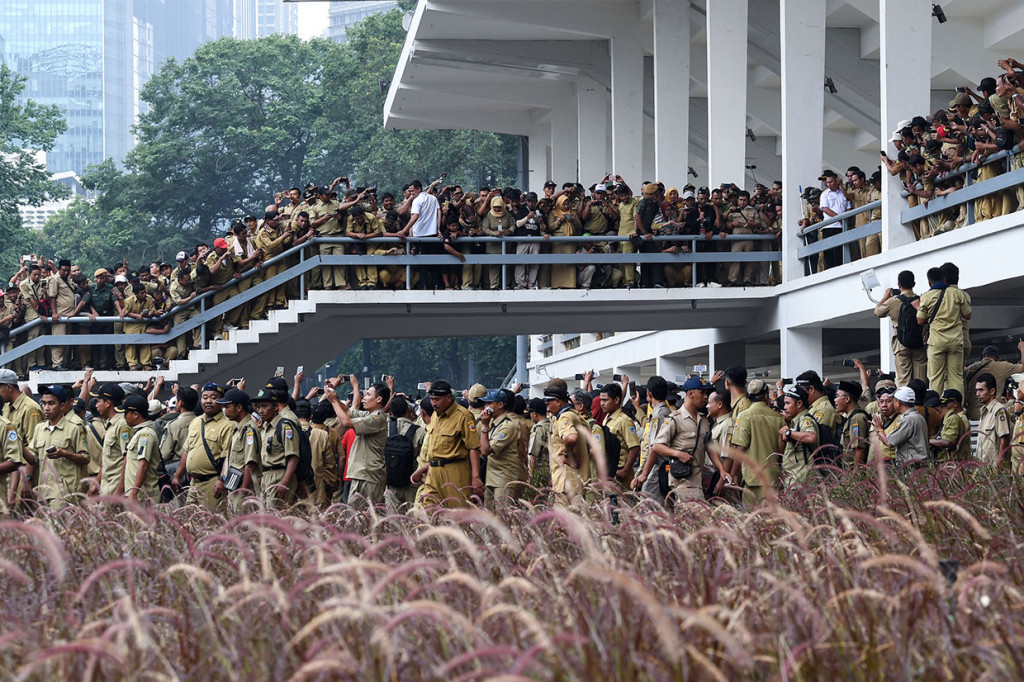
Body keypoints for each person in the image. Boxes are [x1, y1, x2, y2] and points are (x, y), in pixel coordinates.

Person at [645, 377, 722, 504]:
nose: (705, 397)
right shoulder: (674, 419)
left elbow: (709, 446)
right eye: (702, 393)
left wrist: (722, 470)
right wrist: (678, 454)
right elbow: (657, 446)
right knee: (701, 515)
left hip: (699, 480)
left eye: (706, 394)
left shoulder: (703, 420)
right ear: (690, 393)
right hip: (682, 481)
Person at [413, 381, 482, 508]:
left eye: (437, 399)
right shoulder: (435, 416)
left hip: (454, 470)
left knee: (458, 512)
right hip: (433, 471)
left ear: (449, 398)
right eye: (432, 399)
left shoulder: (464, 416)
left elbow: (473, 448)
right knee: (427, 511)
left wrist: (475, 477)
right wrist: (422, 471)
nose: (434, 403)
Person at [324, 376, 389, 507]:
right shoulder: (369, 415)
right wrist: (334, 396)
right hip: (362, 474)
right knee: (355, 517)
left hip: (370, 475)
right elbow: (348, 411)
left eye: (368, 395)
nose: (364, 398)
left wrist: (333, 402)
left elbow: (346, 421)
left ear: (379, 399)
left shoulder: (378, 419)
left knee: (370, 517)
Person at [173, 382, 234, 511]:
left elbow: (228, 457)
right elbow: (187, 451)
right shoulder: (196, 421)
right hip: (193, 484)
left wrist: (221, 480)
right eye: (205, 397)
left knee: (212, 523)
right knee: (190, 523)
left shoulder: (228, 425)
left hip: (212, 483)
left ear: (221, 401)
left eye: (213, 397)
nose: (208, 401)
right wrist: (177, 476)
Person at [31, 385, 89, 506]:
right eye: (44, 403)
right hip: (44, 493)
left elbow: (85, 458)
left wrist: (65, 454)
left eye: (51, 403)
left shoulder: (74, 428)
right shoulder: (39, 428)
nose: (46, 408)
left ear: (62, 405)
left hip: (64, 494)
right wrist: (19, 446)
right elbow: (34, 458)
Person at [917, 266, 971, 394]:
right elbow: (967, 315)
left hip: (937, 342)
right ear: (945, 279)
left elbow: (920, 320)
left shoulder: (926, 296)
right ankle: (958, 408)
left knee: (936, 378)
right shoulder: (957, 294)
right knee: (956, 377)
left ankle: (936, 407)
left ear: (929, 282)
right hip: (955, 341)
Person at [730, 379, 786, 502]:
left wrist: (733, 474)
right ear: (766, 396)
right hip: (773, 478)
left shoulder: (744, 416)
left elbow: (740, 448)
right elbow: (782, 451)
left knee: (753, 518)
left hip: (753, 480)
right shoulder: (779, 418)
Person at [874, 271, 928, 387]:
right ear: (914, 283)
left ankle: (906, 403)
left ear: (899, 285)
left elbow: (878, 312)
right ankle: (920, 402)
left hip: (901, 343)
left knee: (904, 381)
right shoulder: (922, 300)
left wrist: (884, 298)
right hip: (919, 343)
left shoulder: (893, 301)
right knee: (920, 381)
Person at [251, 387, 300, 507]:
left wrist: (285, 482)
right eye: (258, 407)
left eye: (264, 406)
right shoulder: (265, 428)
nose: (260, 411)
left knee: (278, 517)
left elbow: (293, 456)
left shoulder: (284, 426)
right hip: (266, 477)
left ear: (276, 407)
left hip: (280, 476)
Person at [214, 388, 261, 506]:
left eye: (227, 407)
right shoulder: (238, 429)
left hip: (244, 492)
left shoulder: (249, 430)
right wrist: (222, 479)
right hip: (234, 487)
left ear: (239, 408)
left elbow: (250, 465)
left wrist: (242, 494)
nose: (224, 411)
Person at [544, 385, 590, 504]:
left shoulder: (565, 417)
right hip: (572, 482)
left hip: (567, 482)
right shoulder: (574, 414)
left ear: (558, 402)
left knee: (567, 521)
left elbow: (571, 437)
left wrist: (566, 454)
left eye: (548, 404)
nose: (547, 409)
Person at [478, 388, 525, 507]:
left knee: (502, 517)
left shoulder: (507, 426)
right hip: (491, 477)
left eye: (489, 403)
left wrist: (484, 426)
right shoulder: (494, 424)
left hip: (504, 479)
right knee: (490, 518)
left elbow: (485, 451)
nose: (485, 407)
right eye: (485, 403)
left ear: (500, 405)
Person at [963, 343, 1024, 420]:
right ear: (997, 358)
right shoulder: (1002, 366)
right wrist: (1022, 349)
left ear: (983, 355)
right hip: (991, 416)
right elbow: (1023, 368)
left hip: (971, 416)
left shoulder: (972, 368)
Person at [872, 386, 929, 466]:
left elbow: (889, 442)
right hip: (919, 464)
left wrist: (879, 429)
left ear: (898, 402)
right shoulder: (918, 416)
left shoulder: (909, 419)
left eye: (892, 400)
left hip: (912, 465)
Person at [385, 395, 422, 511]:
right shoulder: (419, 431)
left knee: (393, 522)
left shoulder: (385, 428)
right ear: (408, 410)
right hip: (412, 482)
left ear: (391, 412)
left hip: (391, 481)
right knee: (412, 521)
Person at [121, 394, 160, 503]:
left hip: (143, 496)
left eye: (126, 413)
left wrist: (134, 493)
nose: (124, 417)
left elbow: (143, 465)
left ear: (135, 414)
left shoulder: (145, 434)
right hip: (138, 495)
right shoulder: (139, 432)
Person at [159, 386, 198, 493]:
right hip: (198, 473)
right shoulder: (202, 422)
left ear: (180, 403)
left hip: (178, 476)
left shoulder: (172, 426)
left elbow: (164, 454)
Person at [779, 385, 819, 485]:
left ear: (799, 403)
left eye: (788, 403)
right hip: (795, 480)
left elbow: (811, 437)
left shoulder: (805, 419)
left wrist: (789, 433)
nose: (785, 407)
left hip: (803, 482)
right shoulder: (795, 422)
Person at [975, 372, 1011, 467]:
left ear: (992, 391)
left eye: (981, 390)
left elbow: (1004, 439)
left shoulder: (999, 410)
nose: (977, 394)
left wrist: (999, 465)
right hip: (983, 467)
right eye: (977, 390)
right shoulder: (984, 411)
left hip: (994, 468)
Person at [930, 389, 971, 461]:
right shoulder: (949, 418)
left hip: (956, 460)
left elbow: (949, 442)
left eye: (946, 405)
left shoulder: (955, 419)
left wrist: (928, 441)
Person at [836, 380, 870, 465]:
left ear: (847, 399)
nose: (835, 400)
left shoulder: (857, 418)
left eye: (838, 396)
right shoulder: (850, 417)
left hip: (852, 473)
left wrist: (856, 475)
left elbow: (859, 449)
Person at [527, 397, 550, 490]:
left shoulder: (538, 429)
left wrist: (530, 476)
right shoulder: (551, 424)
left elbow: (533, 455)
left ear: (534, 414)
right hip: (551, 470)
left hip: (541, 472)